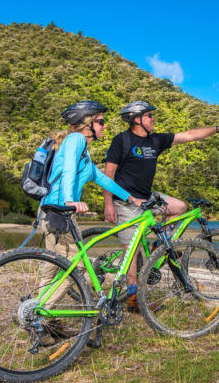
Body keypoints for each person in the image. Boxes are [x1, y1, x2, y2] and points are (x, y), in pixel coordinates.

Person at [103, 100, 219, 312]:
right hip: (126, 202)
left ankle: (160, 245)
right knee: (132, 252)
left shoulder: (156, 140)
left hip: (147, 197)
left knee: (179, 207)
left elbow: (190, 135)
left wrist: (218, 129)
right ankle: (133, 298)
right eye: (149, 115)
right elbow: (108, 174)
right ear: (137, 119)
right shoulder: (122, 140)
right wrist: (108, 203)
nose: (153, 118)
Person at [38, 100, 145, 344]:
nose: (104, 126)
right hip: (59, 212)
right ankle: (39, 317)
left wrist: (130, 198)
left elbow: (102, 179)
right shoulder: (75, 140)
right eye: (100, 121)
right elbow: (66, 171)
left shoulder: (84, 153)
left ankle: (43, 326)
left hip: (56, 213)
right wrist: (70, 200)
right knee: (72, 272)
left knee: (52, 270)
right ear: (87, 124)